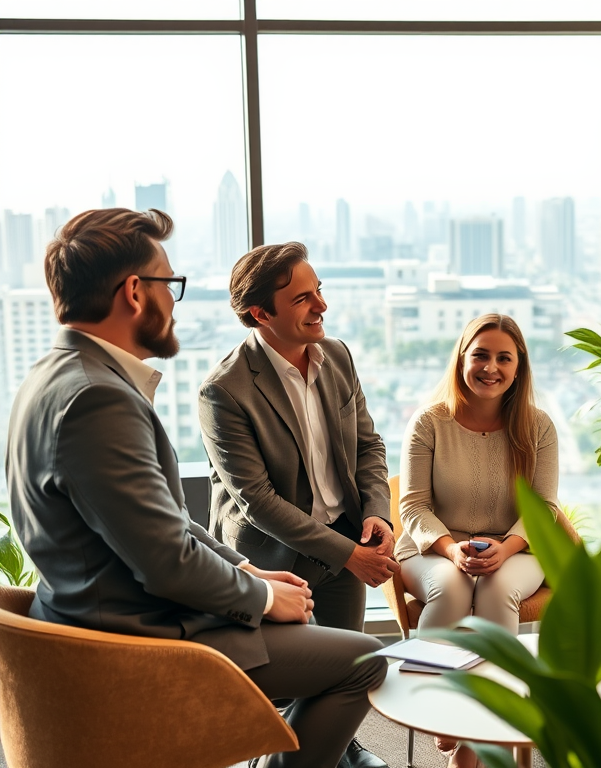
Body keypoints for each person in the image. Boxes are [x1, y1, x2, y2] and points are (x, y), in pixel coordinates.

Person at [6, 208, 387, 768]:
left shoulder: (54, 374)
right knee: (366, 662)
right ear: (135, 292)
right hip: (140, 639)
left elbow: (161, 523)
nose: (174, 304)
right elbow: (166, 563)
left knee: (339, 650)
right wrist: (260, 596)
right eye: (171, 285)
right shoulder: (99, 398)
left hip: (111, 617)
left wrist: (247, 572)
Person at [198, 241, 396, 768]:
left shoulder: (337, 356)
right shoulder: (224, 391)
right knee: (283, 695)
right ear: (260, 314)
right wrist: (348, 554)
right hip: (275, 559)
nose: (322, 306)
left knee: (345, 679)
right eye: (304, 299)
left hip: (347, 534)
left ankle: (345, 751)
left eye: (320, 290)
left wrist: (377, 512)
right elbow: (257, 501)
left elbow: (367, 446)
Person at [397, 314, 558, 768]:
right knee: (450, 585)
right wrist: (450, 549)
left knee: (496, 586)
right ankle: (435, 704)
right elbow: (411, 507)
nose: (491, 367)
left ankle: (476, 736)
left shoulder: (539, 427)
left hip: (517, 547)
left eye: (504, 358)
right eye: (481, 355)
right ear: (462, 359)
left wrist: (506, 548)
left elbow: (543, 508)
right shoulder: (429, 422)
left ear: (519, 367)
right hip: (434, 547)